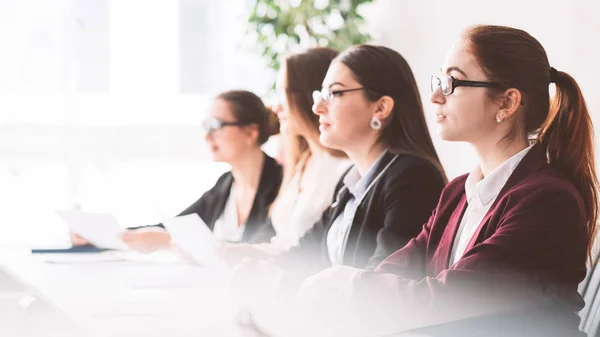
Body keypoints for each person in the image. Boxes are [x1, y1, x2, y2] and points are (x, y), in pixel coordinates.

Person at [293, 25, 598, 337]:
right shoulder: (457, 192)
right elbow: (401, 268)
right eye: (439, 80)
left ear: (506, 103)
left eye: (452, 82)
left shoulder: (548, 200)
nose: (436, 96)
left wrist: (348, 283)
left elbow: (449, 299)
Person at [234, 45, 447, 289]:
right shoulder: (352, 181)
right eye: (320, 95)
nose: (317, 108)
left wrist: (280, 281)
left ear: (381, 107)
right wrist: (260, 268)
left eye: (334, 93)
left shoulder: (412, 177)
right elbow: (306, 253)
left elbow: (379, 285)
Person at [72, 90, 283, 252]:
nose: (207, 136)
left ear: (251, 132)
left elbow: (263, 251)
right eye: (205, 126)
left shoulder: (282, 183)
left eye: (215, 125)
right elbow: (175, 227)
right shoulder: (226, 184)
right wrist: (107, 236)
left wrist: (172, 242)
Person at [218, 48, 351, 264]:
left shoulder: (345, 168)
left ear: (311, 95)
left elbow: (321, 253)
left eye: (283, 94)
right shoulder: (302, 162)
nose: (276, 106)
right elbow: (280, 241)